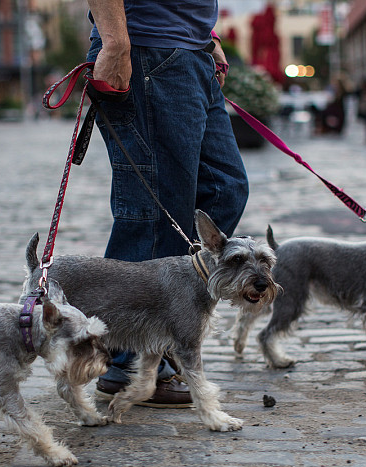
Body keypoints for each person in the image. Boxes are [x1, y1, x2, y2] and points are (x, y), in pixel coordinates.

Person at [85, 0, 249, 407]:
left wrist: (206, 37)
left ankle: (162, 332)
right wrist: (116, 43)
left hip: (191, 52)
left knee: (226, 189)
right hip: (146, 51)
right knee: (156, 211)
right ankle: (125, 357)